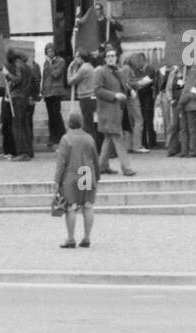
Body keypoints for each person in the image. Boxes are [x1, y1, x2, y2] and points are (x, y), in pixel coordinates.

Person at [54, 113, 99, 247]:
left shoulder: (66, 139)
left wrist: (57, 180)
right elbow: (95, 158)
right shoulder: (89, 138)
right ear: (81, 123)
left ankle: (71, 238)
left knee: (71, 208)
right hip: (88, 173)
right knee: (88, 206)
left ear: (69, 123)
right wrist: (98, 176)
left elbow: (61, 162)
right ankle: (86, 238)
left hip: (72, 175)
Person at [92, 48, 136, 177]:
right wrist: (114, 95)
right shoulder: (100, 71)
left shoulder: (118, 71)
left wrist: (130, 91)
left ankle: (101, 166)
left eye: (113, 55)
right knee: (118, 138)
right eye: (108, 56)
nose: (111, 58)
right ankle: (126, 168)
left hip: (118, 111)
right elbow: (98, 90)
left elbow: (123, 85)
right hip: (107, 111)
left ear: (117, 57)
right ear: (105, 58)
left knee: (108, 139)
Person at [68, 49, 98, 152]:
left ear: (81, 58)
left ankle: (91, 148)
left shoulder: (84, 68)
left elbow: (71, 80)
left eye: (77, 57)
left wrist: (70, 68)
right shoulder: (90, 67)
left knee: (88, 124)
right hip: (91, 97)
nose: (75, 59)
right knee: (90, 122)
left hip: (86, 97)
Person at [41, 44, 69, 147]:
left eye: (51, 51)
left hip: (56, 91)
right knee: (50, 116)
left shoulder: (60, 61)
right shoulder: (46, 63)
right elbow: (44, 77)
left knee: (56, 114)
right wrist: (42, 91)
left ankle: (62, 135)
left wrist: (50, 63)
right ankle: (52, 137)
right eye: (48, 51)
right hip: (48, 92)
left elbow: (56, 74)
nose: (50, 53)